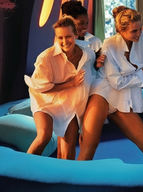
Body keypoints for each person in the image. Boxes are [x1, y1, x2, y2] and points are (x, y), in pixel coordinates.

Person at [77, 8, 143, 163]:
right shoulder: (109, 44)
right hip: (102, 92)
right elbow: (116, 82)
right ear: (120, 30)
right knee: (88, 149)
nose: (139, 34)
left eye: (140, 29)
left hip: (123, 95)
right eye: (134, 31)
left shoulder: (140, 37)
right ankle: (74, 179)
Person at [24, 16, 96, 159]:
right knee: (44, 136)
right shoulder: (46, 58)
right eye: (60, 37)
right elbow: (41, 88)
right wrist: (71, 83)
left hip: (69, 104)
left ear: (76, 35)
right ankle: (23, 167)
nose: (64, 41)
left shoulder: (88, 54)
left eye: (68, 36)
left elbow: (93, 74)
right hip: (45, 100)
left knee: (68, 149)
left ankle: (64, 172)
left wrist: (99, 64)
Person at [61, 0, 105, 67]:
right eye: (81, 23)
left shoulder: (95, 41)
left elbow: (100, 70)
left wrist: (96, 66)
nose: (85, 27)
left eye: (87, 23)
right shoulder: (61, 46)